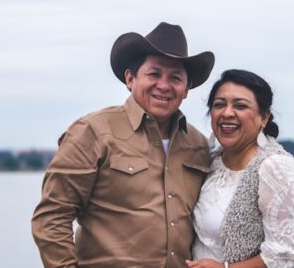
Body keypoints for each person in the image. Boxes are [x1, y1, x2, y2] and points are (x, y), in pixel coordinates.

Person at [31, 22, 215, 268]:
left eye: (175, 78)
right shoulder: (93, 132)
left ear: (186, 89)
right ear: (130, 78)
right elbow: (52, 217)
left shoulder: (198, 144)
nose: (164, 85)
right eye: (154, 73)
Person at [186, 69, 294, 268]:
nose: (227, 113)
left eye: (240, 105)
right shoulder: (209, 162)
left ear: (263, 118)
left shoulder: (275, 168)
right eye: (219, 104)